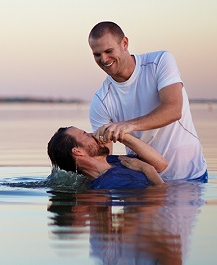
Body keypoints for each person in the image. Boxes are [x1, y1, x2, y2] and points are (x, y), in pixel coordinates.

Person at [87, 21, 208, 181]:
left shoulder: (160, 61)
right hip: (144, 185)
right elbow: (104, 159)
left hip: (190, 176)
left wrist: (128, 126)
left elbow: (173, 109)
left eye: (109, 51)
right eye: (97, 54)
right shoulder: (100, 101)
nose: (104, 59)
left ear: (124, 43)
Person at [47, 126, 165, 189]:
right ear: (78, 151)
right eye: (85, 135)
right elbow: (161, 196)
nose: (93, 134)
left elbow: (161, 165)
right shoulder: (111, 184)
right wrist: (147, 169)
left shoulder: (114, 160)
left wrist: (122, 136)